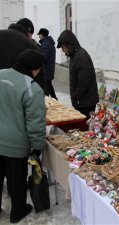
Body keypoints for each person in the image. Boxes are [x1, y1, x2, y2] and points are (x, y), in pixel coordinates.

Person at [0, 49, 46, 223]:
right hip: (15, 144)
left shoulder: (1, 74)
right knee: (17, 180)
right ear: (34, 68)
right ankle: (17, 211)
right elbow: (35, 124)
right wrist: (37, 147)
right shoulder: (32, 88)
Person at [56, 30, 99, 119]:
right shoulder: (75, 55)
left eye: (63, 47)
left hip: (86, 103)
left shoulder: (80, 56)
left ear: (68, 45)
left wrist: (76, 97)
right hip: (83, 101)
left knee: (85, 128)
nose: (63, 51)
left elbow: (84, 81)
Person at [16, 18, 45, 91]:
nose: (30, 38)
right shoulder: (31, 47)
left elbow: (39, 73)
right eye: (29, 35)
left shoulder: (34, 48)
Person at [38, 28, 57, 100]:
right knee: (49, 86)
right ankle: (54, 100)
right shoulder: (49, 43)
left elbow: (44, 58)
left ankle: (49, 102)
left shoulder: (45, 44)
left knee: (46, 87)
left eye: (39, 34)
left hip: (46, 69)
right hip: (49, 68)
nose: (39, 36)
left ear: (42, 35)